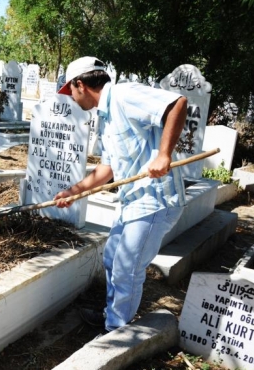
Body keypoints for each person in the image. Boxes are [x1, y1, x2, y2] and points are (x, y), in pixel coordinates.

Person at [53, 56, 188, 333]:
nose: (72, 98)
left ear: (81, 84)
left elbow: (177, 104)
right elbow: (108, 168)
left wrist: (163, 154)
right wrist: (74, 191)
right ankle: (112, 315)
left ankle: (115, 333)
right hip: (133, 200)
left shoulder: (124, 95)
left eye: (71, 91)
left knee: (128, 267)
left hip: (155, 199)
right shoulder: (105, 117)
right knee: (112, 256)